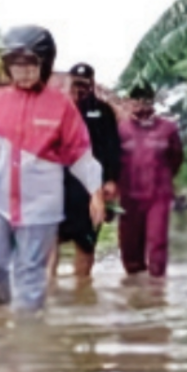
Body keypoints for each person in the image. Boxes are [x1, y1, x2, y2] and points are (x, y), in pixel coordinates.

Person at [0, 26, 105, 312]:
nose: (23, 71)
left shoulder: (61, 107)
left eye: (30, 64)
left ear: (45, 65)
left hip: (40, 206)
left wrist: (96, 192)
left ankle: (28, 341)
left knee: (30, 277)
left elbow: (80, 152)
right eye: (16, 64)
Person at [51, 63, 122, 280]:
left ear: (92, 84)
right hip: (57, 186)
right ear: (68, 82)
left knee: (86, 243)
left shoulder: (103, 111)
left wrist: (111, 180)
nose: (79, 89)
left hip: (92, 190)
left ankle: (82, 291)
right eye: (76, 83)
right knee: (51, 239)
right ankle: (49, 289)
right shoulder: (55, 108)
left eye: (84, 84)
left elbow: (113, 148)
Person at [118, 83, 184, 279]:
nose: (141, 106)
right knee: (130, 247)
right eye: (136, 101)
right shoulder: (121, 130)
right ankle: (135, 291)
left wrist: (164, 179)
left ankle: (156, 291)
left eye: (146, 101)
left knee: (157, 242)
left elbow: (176, 158)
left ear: (153, 103)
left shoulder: (168, 129)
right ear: (129, 103)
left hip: (158, 195)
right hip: (129, 196)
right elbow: (112, 160)